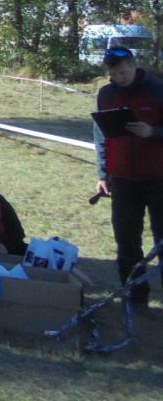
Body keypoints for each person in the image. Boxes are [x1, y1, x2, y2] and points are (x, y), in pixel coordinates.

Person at [94, 46, 163, 310]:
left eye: (123, 72)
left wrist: (152, 131)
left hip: (158, 179)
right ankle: (134, 298)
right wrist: (103, 174)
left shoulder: (157, 90)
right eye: (113, 74)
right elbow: (101, 136)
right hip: (123, 180)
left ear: (134, 66)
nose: (118, 78)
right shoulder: (106, 94)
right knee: (126, 243)